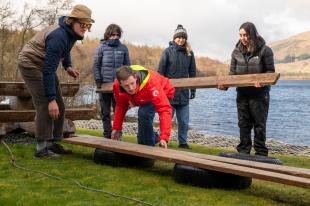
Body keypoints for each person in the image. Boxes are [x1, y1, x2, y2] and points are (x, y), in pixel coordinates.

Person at [18, 4, 94, 158]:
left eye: (88, 25)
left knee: (60, 105)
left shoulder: (71, 34)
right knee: (46, 104)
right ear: (72, 21)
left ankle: (52, 142)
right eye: (83, 24)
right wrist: (50, 99)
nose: (85, 28)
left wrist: (68, 66)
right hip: (30, 64)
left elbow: (65, 51)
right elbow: (48, 71)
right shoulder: (59, 36)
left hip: (44, 65)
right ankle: (41, 148)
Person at [218, 22, 275, 156]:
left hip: (260, 95)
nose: (242, 38)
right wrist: (224, 86)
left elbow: (270, 73)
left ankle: (261, 153)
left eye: (245, 35)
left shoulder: (265, 50)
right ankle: (243, 152)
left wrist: (262, 82)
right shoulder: (236, 52)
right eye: (240, 35)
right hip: (242, 94)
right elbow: (232, 75)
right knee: (243, 124)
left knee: (259, 125)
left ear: (252, 34)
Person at [111, 65, 175, 149]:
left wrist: (164, 137)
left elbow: (164, 109)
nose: (130, 88)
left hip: (164, 91)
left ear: (135, 77)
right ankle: (151, 139)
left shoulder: (151, 83)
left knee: (144, 113)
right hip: (144, 97)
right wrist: (116, 127)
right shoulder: (116, 86)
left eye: (132, 83)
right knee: (143, 123)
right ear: (120, 83)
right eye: (126, 86)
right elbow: (121, 105)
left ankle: (148, 150)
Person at [158, 24, 196, 149]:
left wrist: (193, 89)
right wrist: (160, 91)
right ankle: (164, 141)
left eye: (183, 37)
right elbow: (160, 73)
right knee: (166, 120)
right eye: (178, 37)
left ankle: (183, 142)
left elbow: (192, 72)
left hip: (184, 94)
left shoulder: (190, 53)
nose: (181, 39)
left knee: (184, 121)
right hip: (169, 94)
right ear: (174, 38)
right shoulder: (167, 52)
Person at [93, 24, 131, 139]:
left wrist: (127, 83)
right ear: (108, 34)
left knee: (118, 111)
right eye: (112, 34)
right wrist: (98, 80)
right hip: (104, 85)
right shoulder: (101, 48)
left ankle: (117, 134)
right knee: (105, 112)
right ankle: (107, 134)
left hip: (119, 86)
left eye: (117, 35)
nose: (115, 37)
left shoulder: (123, 48)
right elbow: (96, 65)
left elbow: (128, 67)